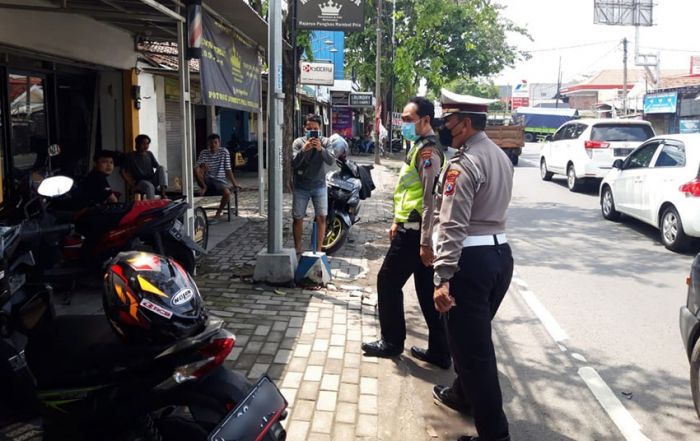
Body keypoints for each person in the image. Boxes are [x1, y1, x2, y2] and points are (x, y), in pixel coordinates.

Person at [431, 90, 514, 441]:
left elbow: (453, 223)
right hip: (499, 258)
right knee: (471, 344)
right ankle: (461, 396)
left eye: (448, 122)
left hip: (469, 263)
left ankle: (495, 436)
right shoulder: (499, 156)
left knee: (476, 356)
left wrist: (443, 276)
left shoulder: (463, 165)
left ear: (464, 123)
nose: (445, 128)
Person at [361, 96, 451, 369]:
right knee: (426, 292)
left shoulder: (428, 153)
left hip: (416, 235)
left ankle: (392, 342)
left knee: (387, 282)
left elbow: (429, 200)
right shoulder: (420, 147)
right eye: (404, 119)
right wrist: (395, 222)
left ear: (426, 120)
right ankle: (440, 351)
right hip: (410, 228)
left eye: (410, 120)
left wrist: (425, 243)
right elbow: (407, 194)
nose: (405, 124)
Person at [291, 114, 334, 254]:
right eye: (309, 129)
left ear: (320, 128)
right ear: (304, 128)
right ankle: (298, 248)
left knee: (322, 217)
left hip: (319, 185)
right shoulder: (298, 142)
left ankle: (318, 249)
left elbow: (330, 161)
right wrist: (304, 149)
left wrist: (321, 149)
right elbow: (294, 163)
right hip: (301, 186)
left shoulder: (326, 142)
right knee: (298, 218)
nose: (312, 131)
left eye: (315, 129)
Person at [194, 134, 242, 222]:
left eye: (215, 143)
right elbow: (197, 167)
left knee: (227, 193)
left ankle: (218, 213)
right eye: (211, 143)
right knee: (196, 168)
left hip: (219, 181)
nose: (213, 145)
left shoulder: (224, 152)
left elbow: (228, 169)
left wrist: (235, 184)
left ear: (219, 143)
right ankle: (204, 187)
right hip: (206, 179)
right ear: (208, 144)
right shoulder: (204, 153)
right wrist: (203, 168)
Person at [123, 134, 167, 199]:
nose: (145, 146)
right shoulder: (130, 156)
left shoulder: (149, 154)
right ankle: (151, 206)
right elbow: (123, 171)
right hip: (140, 182)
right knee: (149, 186)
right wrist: (132, 184)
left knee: (162, 168)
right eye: (143, 143)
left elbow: (157, 167)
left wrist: (163, 174)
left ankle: (163, 194)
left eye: (147, 144)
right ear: (137, 144)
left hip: (152, 180)